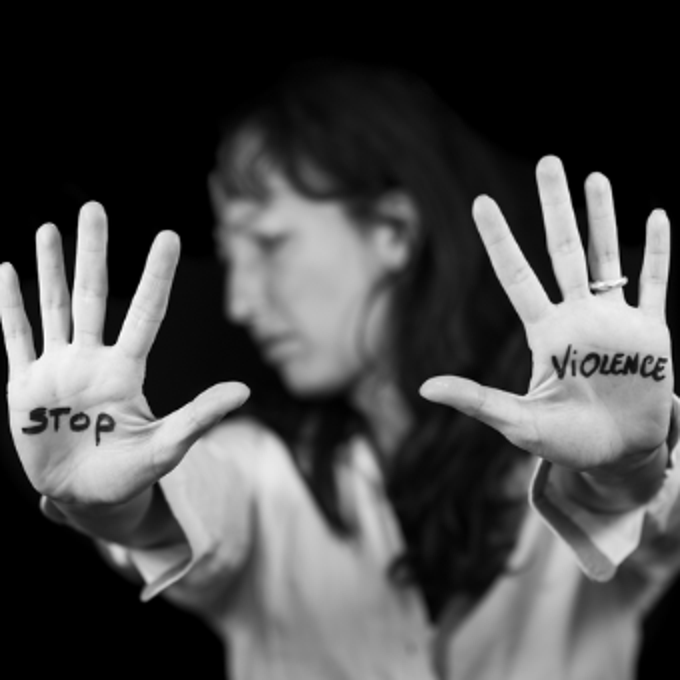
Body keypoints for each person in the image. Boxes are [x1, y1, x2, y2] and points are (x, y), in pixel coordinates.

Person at [1, 61, 678, 680]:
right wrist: (113, 504)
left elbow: (648, 519)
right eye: (231, 256)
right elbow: (187, 513)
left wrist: (625, 468)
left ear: (393, 231)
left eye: (268, 242)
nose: (240, 303)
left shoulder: (563, 445)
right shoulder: (264, 474)